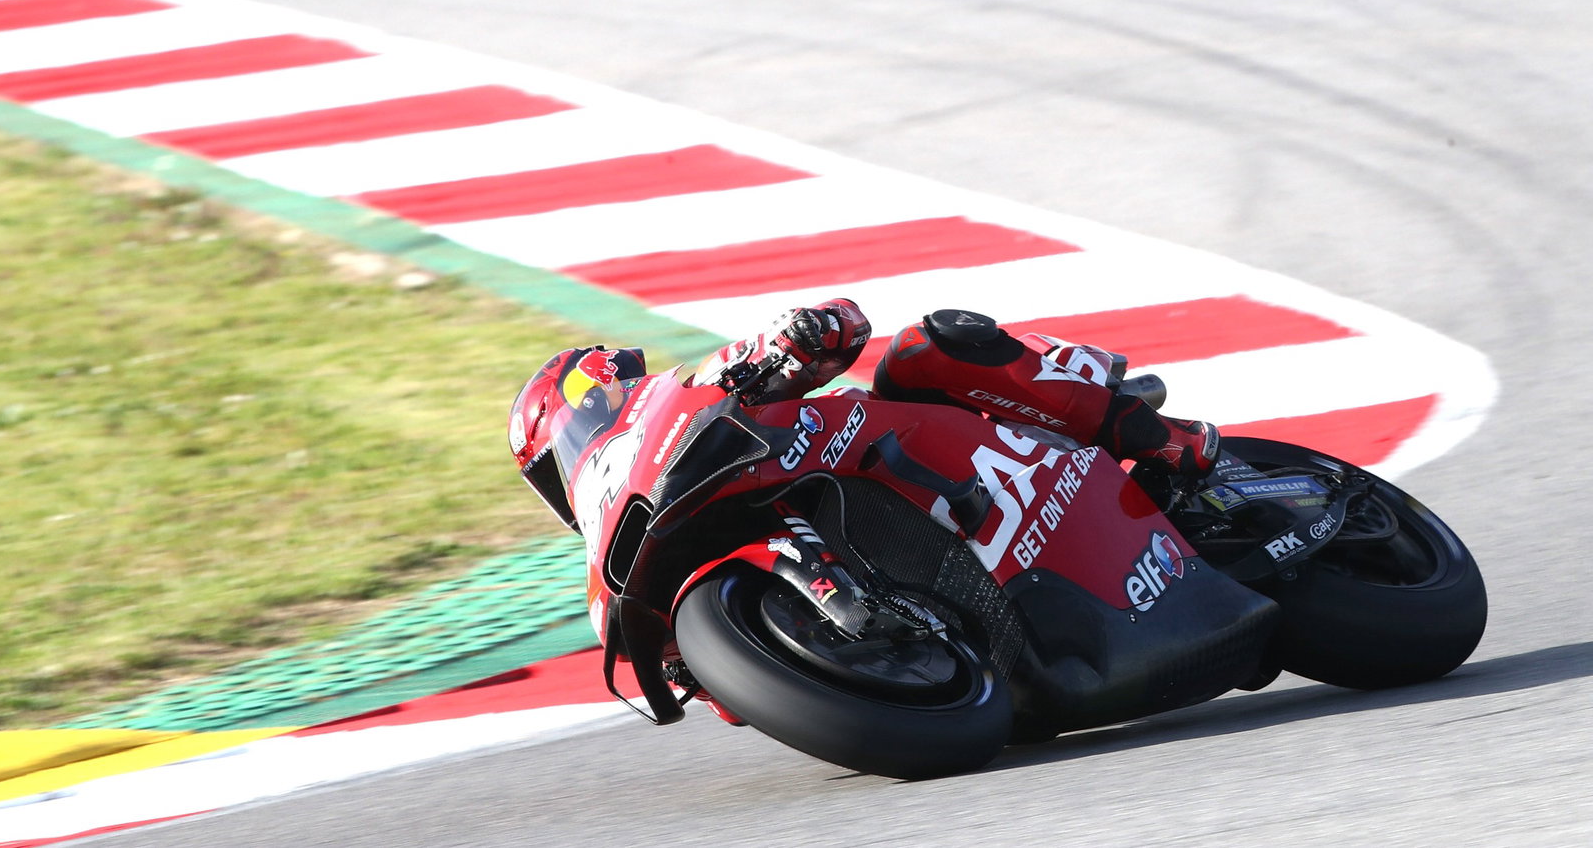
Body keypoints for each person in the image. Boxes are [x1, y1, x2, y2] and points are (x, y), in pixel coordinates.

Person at [510, 297, 1220, 526]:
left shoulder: (700, 387)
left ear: (597, 389)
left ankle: (1167, 442)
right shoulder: (622, 526)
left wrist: (803, 334)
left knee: (924, 349)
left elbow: (842, 325)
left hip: (910, 448)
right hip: (873, 524)